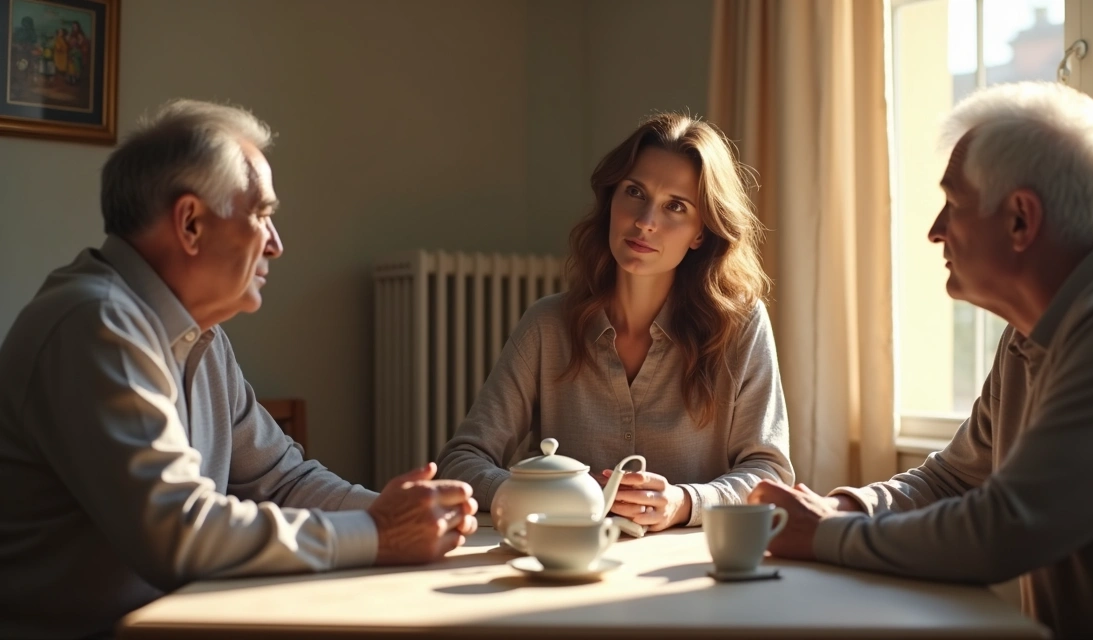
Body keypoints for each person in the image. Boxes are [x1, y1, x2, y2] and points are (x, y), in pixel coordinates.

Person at [748, 81, 1093, 637]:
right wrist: (846, 507)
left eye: (954, 203)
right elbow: (953, 478)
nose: (935, 231)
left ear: (1020, 219)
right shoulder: (1037, 329)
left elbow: (1007, 529)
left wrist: (823, 536)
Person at [0, 100, 478, 639]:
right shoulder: (96, 323)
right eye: (261, 215)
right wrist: (377, 532)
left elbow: (281, 478)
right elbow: (177, 533)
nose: (276, 243)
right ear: (191, 224)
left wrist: (406, 514)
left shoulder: (200, 335)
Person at [438, 112, 794, 531]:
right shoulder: (546, 326)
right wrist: (540, 495)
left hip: (684, 572)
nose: (645, 220)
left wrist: (684, 502)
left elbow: (769, 472)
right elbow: (461, 461)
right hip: (564, 564)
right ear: (611, 200)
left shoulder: (740, 325)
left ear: (700, 233)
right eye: (634, 192)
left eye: (675, 207)